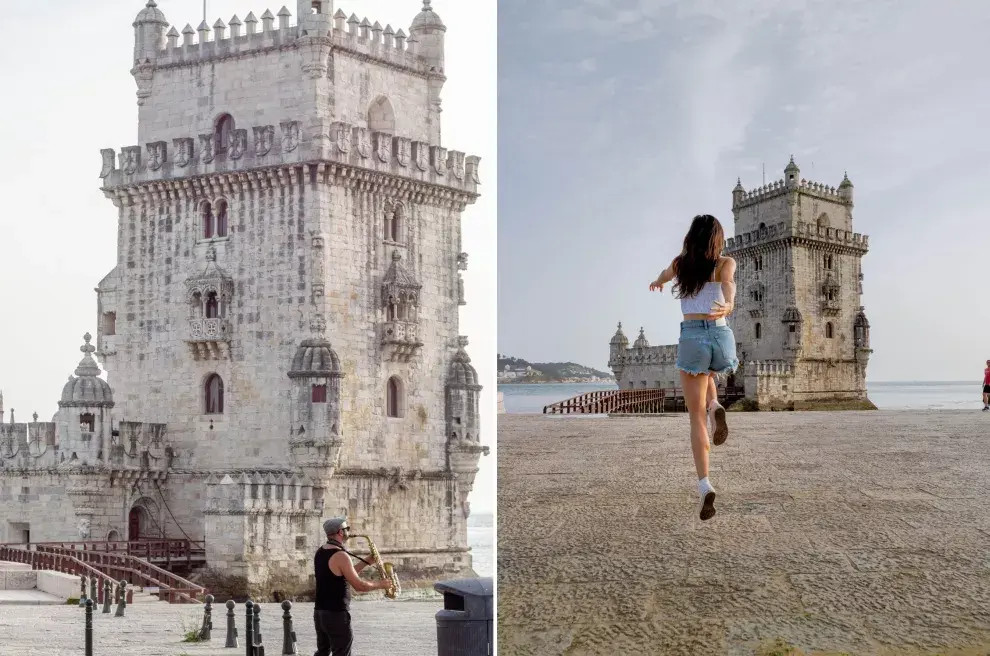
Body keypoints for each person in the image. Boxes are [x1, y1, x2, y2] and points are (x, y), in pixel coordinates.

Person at [649, 214, 739, 521]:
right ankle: (716, 405)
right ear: (718, 239)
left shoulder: (681, 264)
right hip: (722, 336)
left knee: (695, 418)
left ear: (691, 238)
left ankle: (704, 485)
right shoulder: (726, 263)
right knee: (708, 371)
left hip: (692, 336)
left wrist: (658, 282)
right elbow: (729, 288)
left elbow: (664, 273)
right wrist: (727, 306)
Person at [313, 517, 392, 656]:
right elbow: (359, 585)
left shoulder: (321, 551)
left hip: (320, 613)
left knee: (323, 652)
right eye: (346, 529)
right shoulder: (341, 555)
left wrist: (366, 561)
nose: (349, 532)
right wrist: (380, 584)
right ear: (340, 532)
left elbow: (344, 573)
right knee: (342, 652)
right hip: (336, 614)